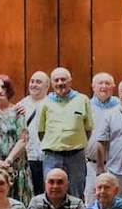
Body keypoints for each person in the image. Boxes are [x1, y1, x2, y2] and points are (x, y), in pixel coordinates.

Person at [38, 67, 95, 199]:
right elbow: (41, 131)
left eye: (63, 79)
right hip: (52, 156)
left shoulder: (83, 99)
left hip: (76, 156)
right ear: (51, 83)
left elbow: (88, 129)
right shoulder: (45, 102)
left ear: (70, 81)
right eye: (56, 80)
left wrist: (74, 143)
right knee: (51, 193)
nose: (60, 83)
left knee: (76, 192)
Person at [0, 74, 32, 202]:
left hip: (15, 166)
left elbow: (23, 139)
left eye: (3, 87)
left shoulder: (17, 112)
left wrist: (8, 161)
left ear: (8, 90)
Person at [86, 73, 119, 203]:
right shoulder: (86, 106)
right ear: (93, 87)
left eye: (107, 83)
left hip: (115, 165)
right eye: (100, 83)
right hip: (91, 165)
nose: (104, 86)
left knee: (116, 201)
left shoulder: (120, 106)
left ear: (113, 87)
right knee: (91, 201)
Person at [18, 71, 51, 194]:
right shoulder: (20, 106)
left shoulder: (52, 104)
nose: (34, 85)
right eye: (32, 81)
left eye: (38, 82)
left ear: (47, 86)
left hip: (48, 158)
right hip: (28, 158)